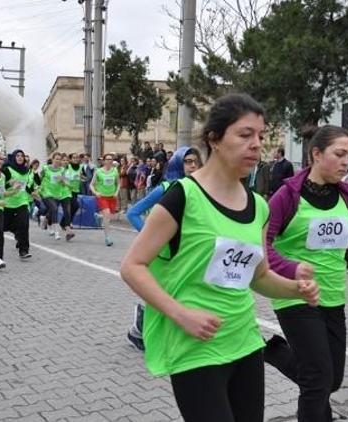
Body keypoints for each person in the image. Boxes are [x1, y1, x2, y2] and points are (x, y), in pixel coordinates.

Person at [120, 94, 320, 422]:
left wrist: (296, 289)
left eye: (260, 136)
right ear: (214, 139)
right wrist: (180, 314)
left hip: (245, 343)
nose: (256, 144)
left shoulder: (258, 207)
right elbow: (132, 266)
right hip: (195, 347)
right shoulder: (183, 197)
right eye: (245, 135)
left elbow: (259, 277)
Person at [263, 125, 348, 422]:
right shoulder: (287, 195)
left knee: (331, 380)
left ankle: (276, 352)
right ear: (316, 154)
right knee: (317, 381)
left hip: (332, 296)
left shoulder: (346, 196)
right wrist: (291, 270)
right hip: (295, 296)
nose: (346, 162)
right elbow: (261, 244)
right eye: (339, 154)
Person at [124, 146, 202, 351]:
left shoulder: (203, 190)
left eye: (195, 161)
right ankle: (140, 327)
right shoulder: (167, 188)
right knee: (163, 294)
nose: (192, 165)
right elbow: (133, 213)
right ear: (177, 163)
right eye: (187, 161)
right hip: (164, 254)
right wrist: (151, 239)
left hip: (188, 252)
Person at [2, 149, 34, 259]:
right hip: (8, 202)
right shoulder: (7, 169)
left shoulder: (26, 170)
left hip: (22, 201)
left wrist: (33, 192)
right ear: (14, 157)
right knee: (4, 226)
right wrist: (10, 184)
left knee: (24, 225)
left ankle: (23, 250)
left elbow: (27, 185)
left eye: (22, 156)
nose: (20, 157)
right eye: (18, 155)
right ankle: (17, 233)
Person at [38, 152, 75, 241]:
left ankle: (45, 219)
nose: (58, 160)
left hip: (57, 193)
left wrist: (62, 180)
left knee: (54, 210)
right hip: (46, 192)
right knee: (54, 208)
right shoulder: (45, 168)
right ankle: (56, 231)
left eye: (59, 159)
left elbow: (65, 183)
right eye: (56, 159)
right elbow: (40, 177)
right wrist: (39, 187)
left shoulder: (62, 170)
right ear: (52, 159)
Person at [90, 153, 120, 246]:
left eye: (111, 159)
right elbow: (91, 184)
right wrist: (96, 192)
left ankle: (99, 216)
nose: (109, 161)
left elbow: (118, 183)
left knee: (110, 217)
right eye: (107, 159)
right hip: (102, 197)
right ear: (103, 161)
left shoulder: (115, 171)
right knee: (107, 215)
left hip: (112, 197)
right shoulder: (98, 171)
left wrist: (116, 193)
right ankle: (107, 238)